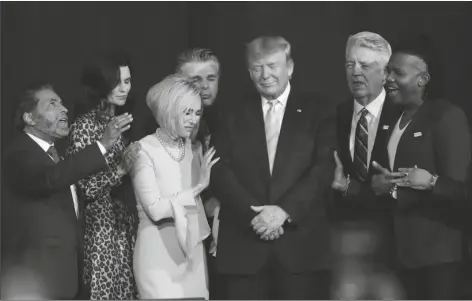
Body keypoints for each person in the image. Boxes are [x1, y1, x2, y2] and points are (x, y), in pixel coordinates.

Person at [210, 35, 336, 300]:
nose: (265, 75)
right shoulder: (229, 112)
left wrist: (283, 211)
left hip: (301, 251)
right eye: (257, 67)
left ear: (289, 67)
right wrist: (255, 217)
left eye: (272, 65)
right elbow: (219, 170)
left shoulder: (319, 110)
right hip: (244, 248)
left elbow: (323, 169)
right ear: (249, 72)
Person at [1, 83, 131, 299]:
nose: (64, 109)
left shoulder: (57, 159)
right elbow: (50, 179)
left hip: (67, 282)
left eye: (62, 103)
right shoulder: (18, 155)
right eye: (52, 104)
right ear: (30, 118)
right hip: (33, 284)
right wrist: (102, 145)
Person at [370, 34, 471, 299]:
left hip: (440, 259)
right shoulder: (390, 120)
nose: (388, 79)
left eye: (397, 73)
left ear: (422, 79)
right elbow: (390, 182)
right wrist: (378, 186)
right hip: (400, 255)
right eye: (387, 71)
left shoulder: (447, 117)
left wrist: (432, 182)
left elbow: (463, 191)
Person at [130, 74, 219, 299]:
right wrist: (199, 187)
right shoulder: (143, 149)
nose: (193, 120)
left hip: (193, 256)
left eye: (198, 113)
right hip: (158, 259)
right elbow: (157, 210)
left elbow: (200, 208)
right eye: (187, 112)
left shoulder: (193, 149)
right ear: (168, 110)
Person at [66, 53, 140, 300]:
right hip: (98, 233)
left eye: (127, 81)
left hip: (124, 228)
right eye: (117, 81)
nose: (123, 88)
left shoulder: (121, 122)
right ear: (100, 84)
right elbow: (83, 187)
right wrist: (120, 169)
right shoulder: (84, 126)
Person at [331, 32, 401, 278]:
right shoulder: (334, 116)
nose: (355, 72)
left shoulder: (405, 115)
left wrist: (352, 188)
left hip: (396, 245)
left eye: (365, 65)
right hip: (343, 243)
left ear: (385, 73)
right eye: (350, 64)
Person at [174, 48, 223, 299]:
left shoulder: (225, 122)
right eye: (196, 80)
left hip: (217, 242)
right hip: (173, 241)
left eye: (211, 79)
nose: (204, 86)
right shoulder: (162, 130)